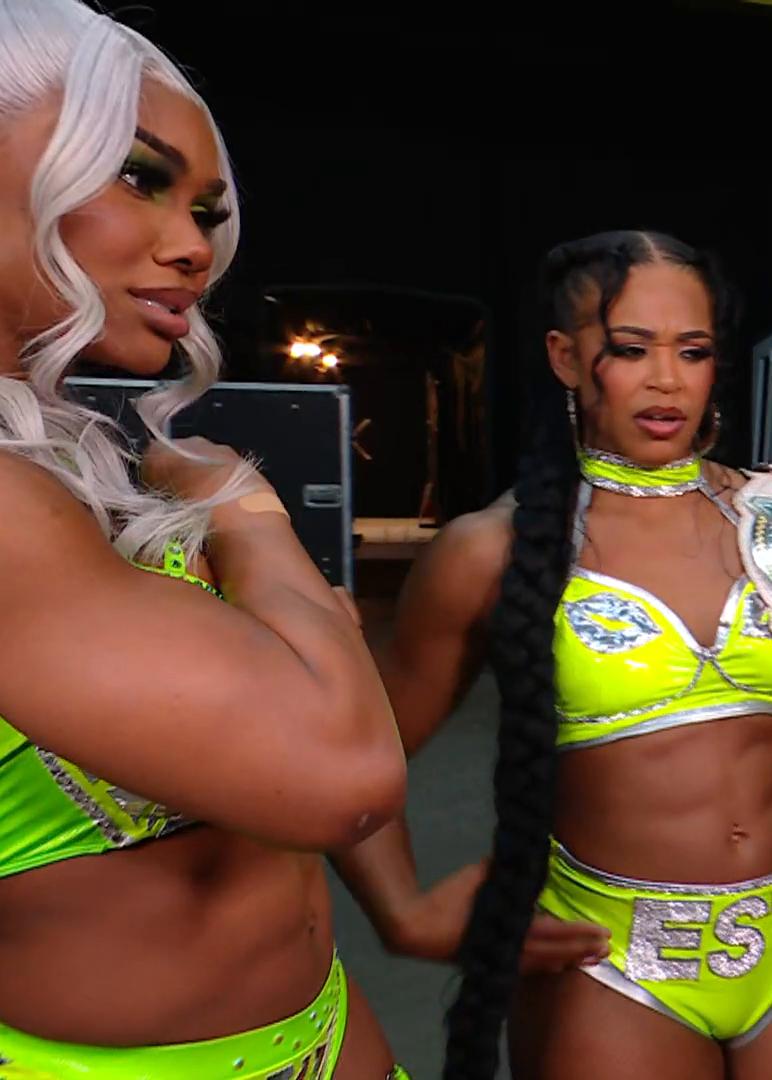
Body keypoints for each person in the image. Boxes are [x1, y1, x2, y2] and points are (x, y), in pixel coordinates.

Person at [331, 229, 772, 1080]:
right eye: (630, 349)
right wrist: (403, 914)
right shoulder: (488, 551)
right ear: (565, 357)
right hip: (611, 961)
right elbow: (355, 762)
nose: (666, 380)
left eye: (692, 351)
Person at [0, 2, 412, 1077]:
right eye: (139, 177)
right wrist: (244, 507)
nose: (193, 248)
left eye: (206, 211)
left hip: (323, 1024)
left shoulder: (66, 458)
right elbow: (344, 769)